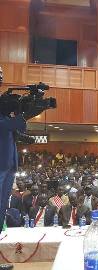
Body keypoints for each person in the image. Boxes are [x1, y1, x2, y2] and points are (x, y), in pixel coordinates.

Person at [0, 64, 27, 229]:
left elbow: (13, 128)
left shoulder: (3, 101)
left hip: (8, 161)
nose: (1, 76)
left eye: (2, 73)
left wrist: (20, 117)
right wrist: (17, 120)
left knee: (2, 203)